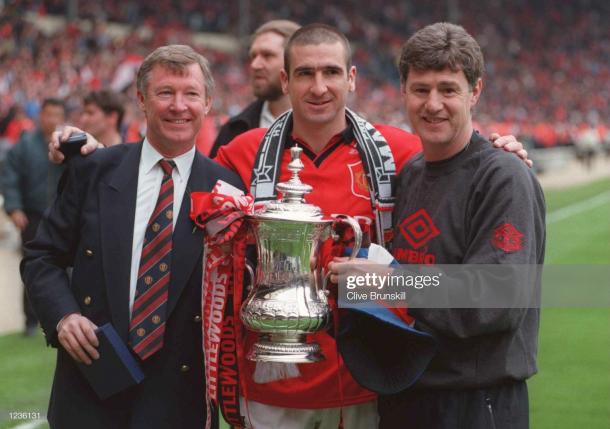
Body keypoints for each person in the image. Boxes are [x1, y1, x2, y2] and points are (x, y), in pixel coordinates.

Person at [48, 25, 529, 429]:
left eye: (331, 73)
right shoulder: (240, 156)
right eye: (305, 74)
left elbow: (458, 157)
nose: (319, 87)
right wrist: (102, 155)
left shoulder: (399, 151)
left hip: (368, 381)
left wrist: (499, 151)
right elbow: (172, 190)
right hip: (270, 382)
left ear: (352, 79)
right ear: (286, 79)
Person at [21, 45, 243, 429]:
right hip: (90, 389)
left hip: (178, 401)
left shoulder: (228, 190)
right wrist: (63, 316)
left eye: (190, 94)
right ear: (141, 100)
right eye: (165, 92)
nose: (179, 106)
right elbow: (42, 257)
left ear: (208, 103)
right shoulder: (93, 169)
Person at [335, 23, 545, 429]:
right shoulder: (411, 173)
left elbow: (497, 296)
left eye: (448, 89)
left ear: (475, 92)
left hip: (474, 402)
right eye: (421, 89)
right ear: (403, 92)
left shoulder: (503, 177)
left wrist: (388, 282)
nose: (433, 104)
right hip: (408, 396)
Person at [0, 98, 65, 336]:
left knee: (65, 268)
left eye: (58, 115)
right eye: (49, 115)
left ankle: (62, 319)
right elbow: (10, 178)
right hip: (33, 216)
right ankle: (30, 321)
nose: (53, 120)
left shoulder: (68, 144)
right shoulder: (25, 145)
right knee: (33, 268)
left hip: (62, 218)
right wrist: (15, 208)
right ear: (41, 116)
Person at [209, 19, 300, 158]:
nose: (255, 65)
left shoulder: (327, 128)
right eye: (253, 56)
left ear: (296, 61)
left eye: (267, 55)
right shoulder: (234, 130)